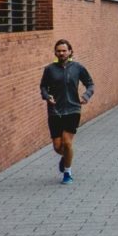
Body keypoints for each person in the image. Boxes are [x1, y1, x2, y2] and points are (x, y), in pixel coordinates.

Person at [39, 39, 94, 184]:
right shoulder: (50, 69)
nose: (61, 53)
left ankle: (67, 172)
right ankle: (66, 157)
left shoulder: (78, 68)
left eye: (64, 50)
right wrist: (46, 96)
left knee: (67, 143)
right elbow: (43, 86)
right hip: (55, 111)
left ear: (70, 52)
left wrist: (86, 95)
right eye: (58, 51)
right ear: (55, 53)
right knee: (58, 146)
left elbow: (90, 84)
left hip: (73, 109)